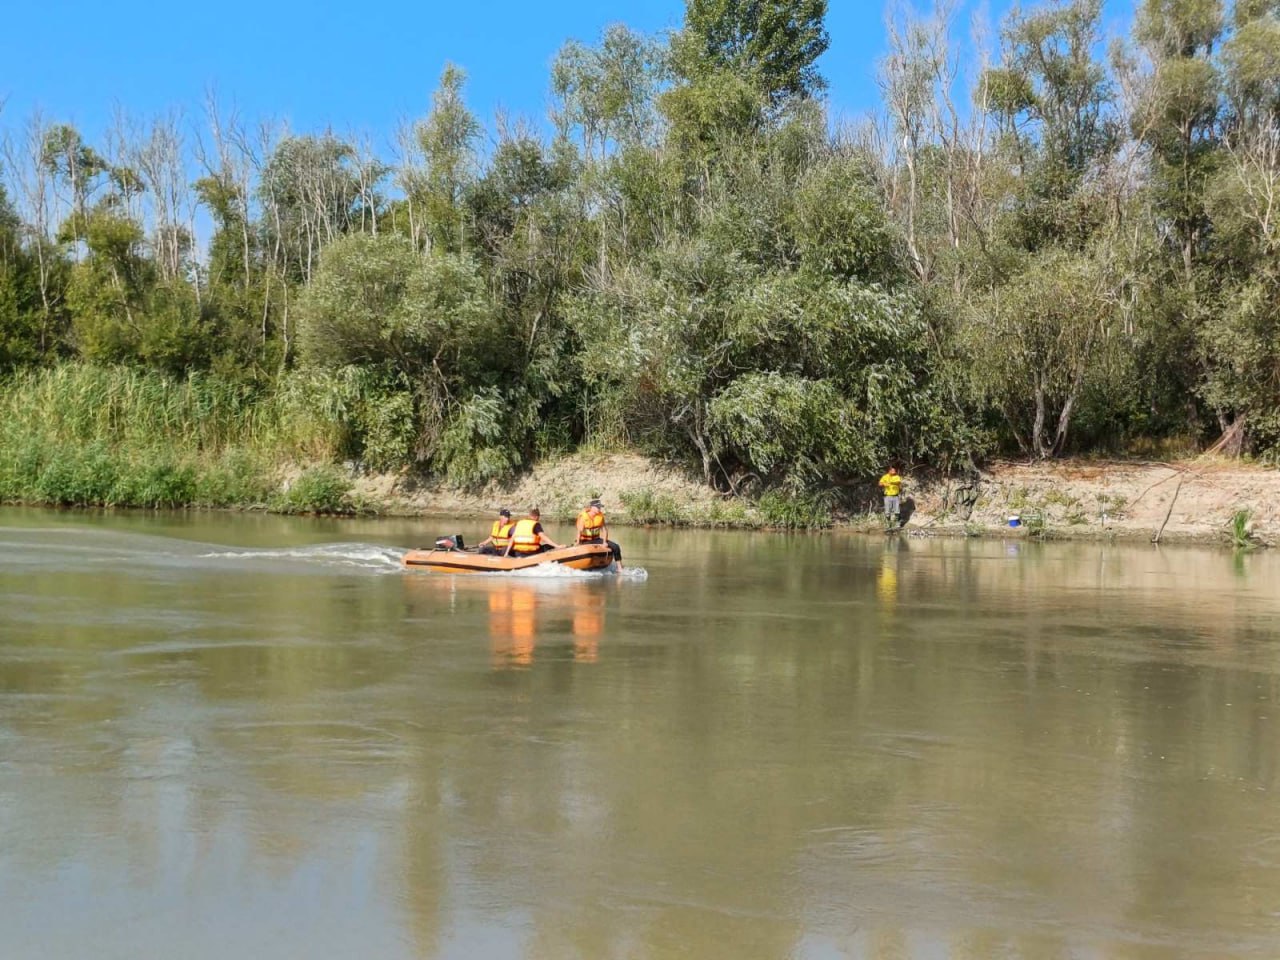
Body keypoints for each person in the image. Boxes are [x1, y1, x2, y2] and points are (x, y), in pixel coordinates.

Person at [575, 498, 623, 569]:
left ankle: (619, 568)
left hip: (596, 539)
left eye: (600, 507)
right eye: (598, 507)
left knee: (616, 547)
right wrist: (577, 543)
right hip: (584, 541)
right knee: (590, 551)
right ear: (592, 508)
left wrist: (604, 542)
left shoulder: (600, 517)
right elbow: (579, 532)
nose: (599, 509)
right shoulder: (583, 517)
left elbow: (605, 530)